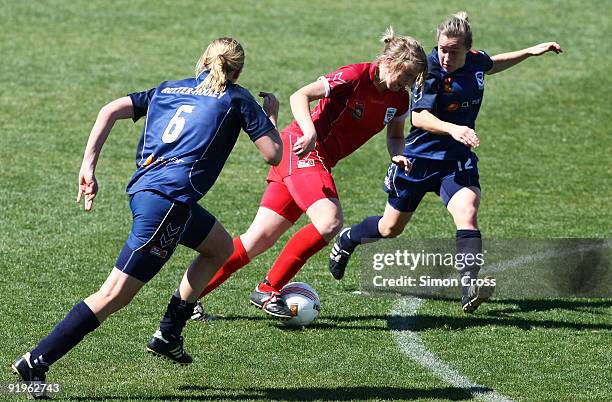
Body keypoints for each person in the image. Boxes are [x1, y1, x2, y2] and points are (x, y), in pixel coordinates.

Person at [12, 37, 281, 399]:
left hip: (148, 193)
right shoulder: (238, 98)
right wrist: (270, 116)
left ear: (203, 59)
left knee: (219, 246)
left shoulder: (169, 88)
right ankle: (35, 362)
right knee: (115, 294)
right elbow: (273, 154)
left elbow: (109, 109)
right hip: (169, 204)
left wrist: (88, 167)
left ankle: (168, 333)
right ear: (239, 70)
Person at [328, 12, 563, 313]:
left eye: (454, 50)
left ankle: (469, 287)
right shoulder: (429, 70)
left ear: (468, 50)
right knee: (389, 229)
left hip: (455, 160)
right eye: (442, 48)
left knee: (468, 212)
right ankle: (348, 238)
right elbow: (418, 116)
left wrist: (530, 51)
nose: (446, 56)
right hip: (417, 160)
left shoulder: (475, 61)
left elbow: (492, 64)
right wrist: (455, 129)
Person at [189, 27, 428, 322]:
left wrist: (398, 155)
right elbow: (300, 95)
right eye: (407, 76)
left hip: (313, 161)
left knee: (258, 239)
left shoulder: (398, 100)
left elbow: (395, 136)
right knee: (330, 221)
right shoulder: (354, 76)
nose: (407, 84)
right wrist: (311, 131)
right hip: (301, 150)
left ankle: (186, 300)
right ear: (393, 61)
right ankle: (267, 289)